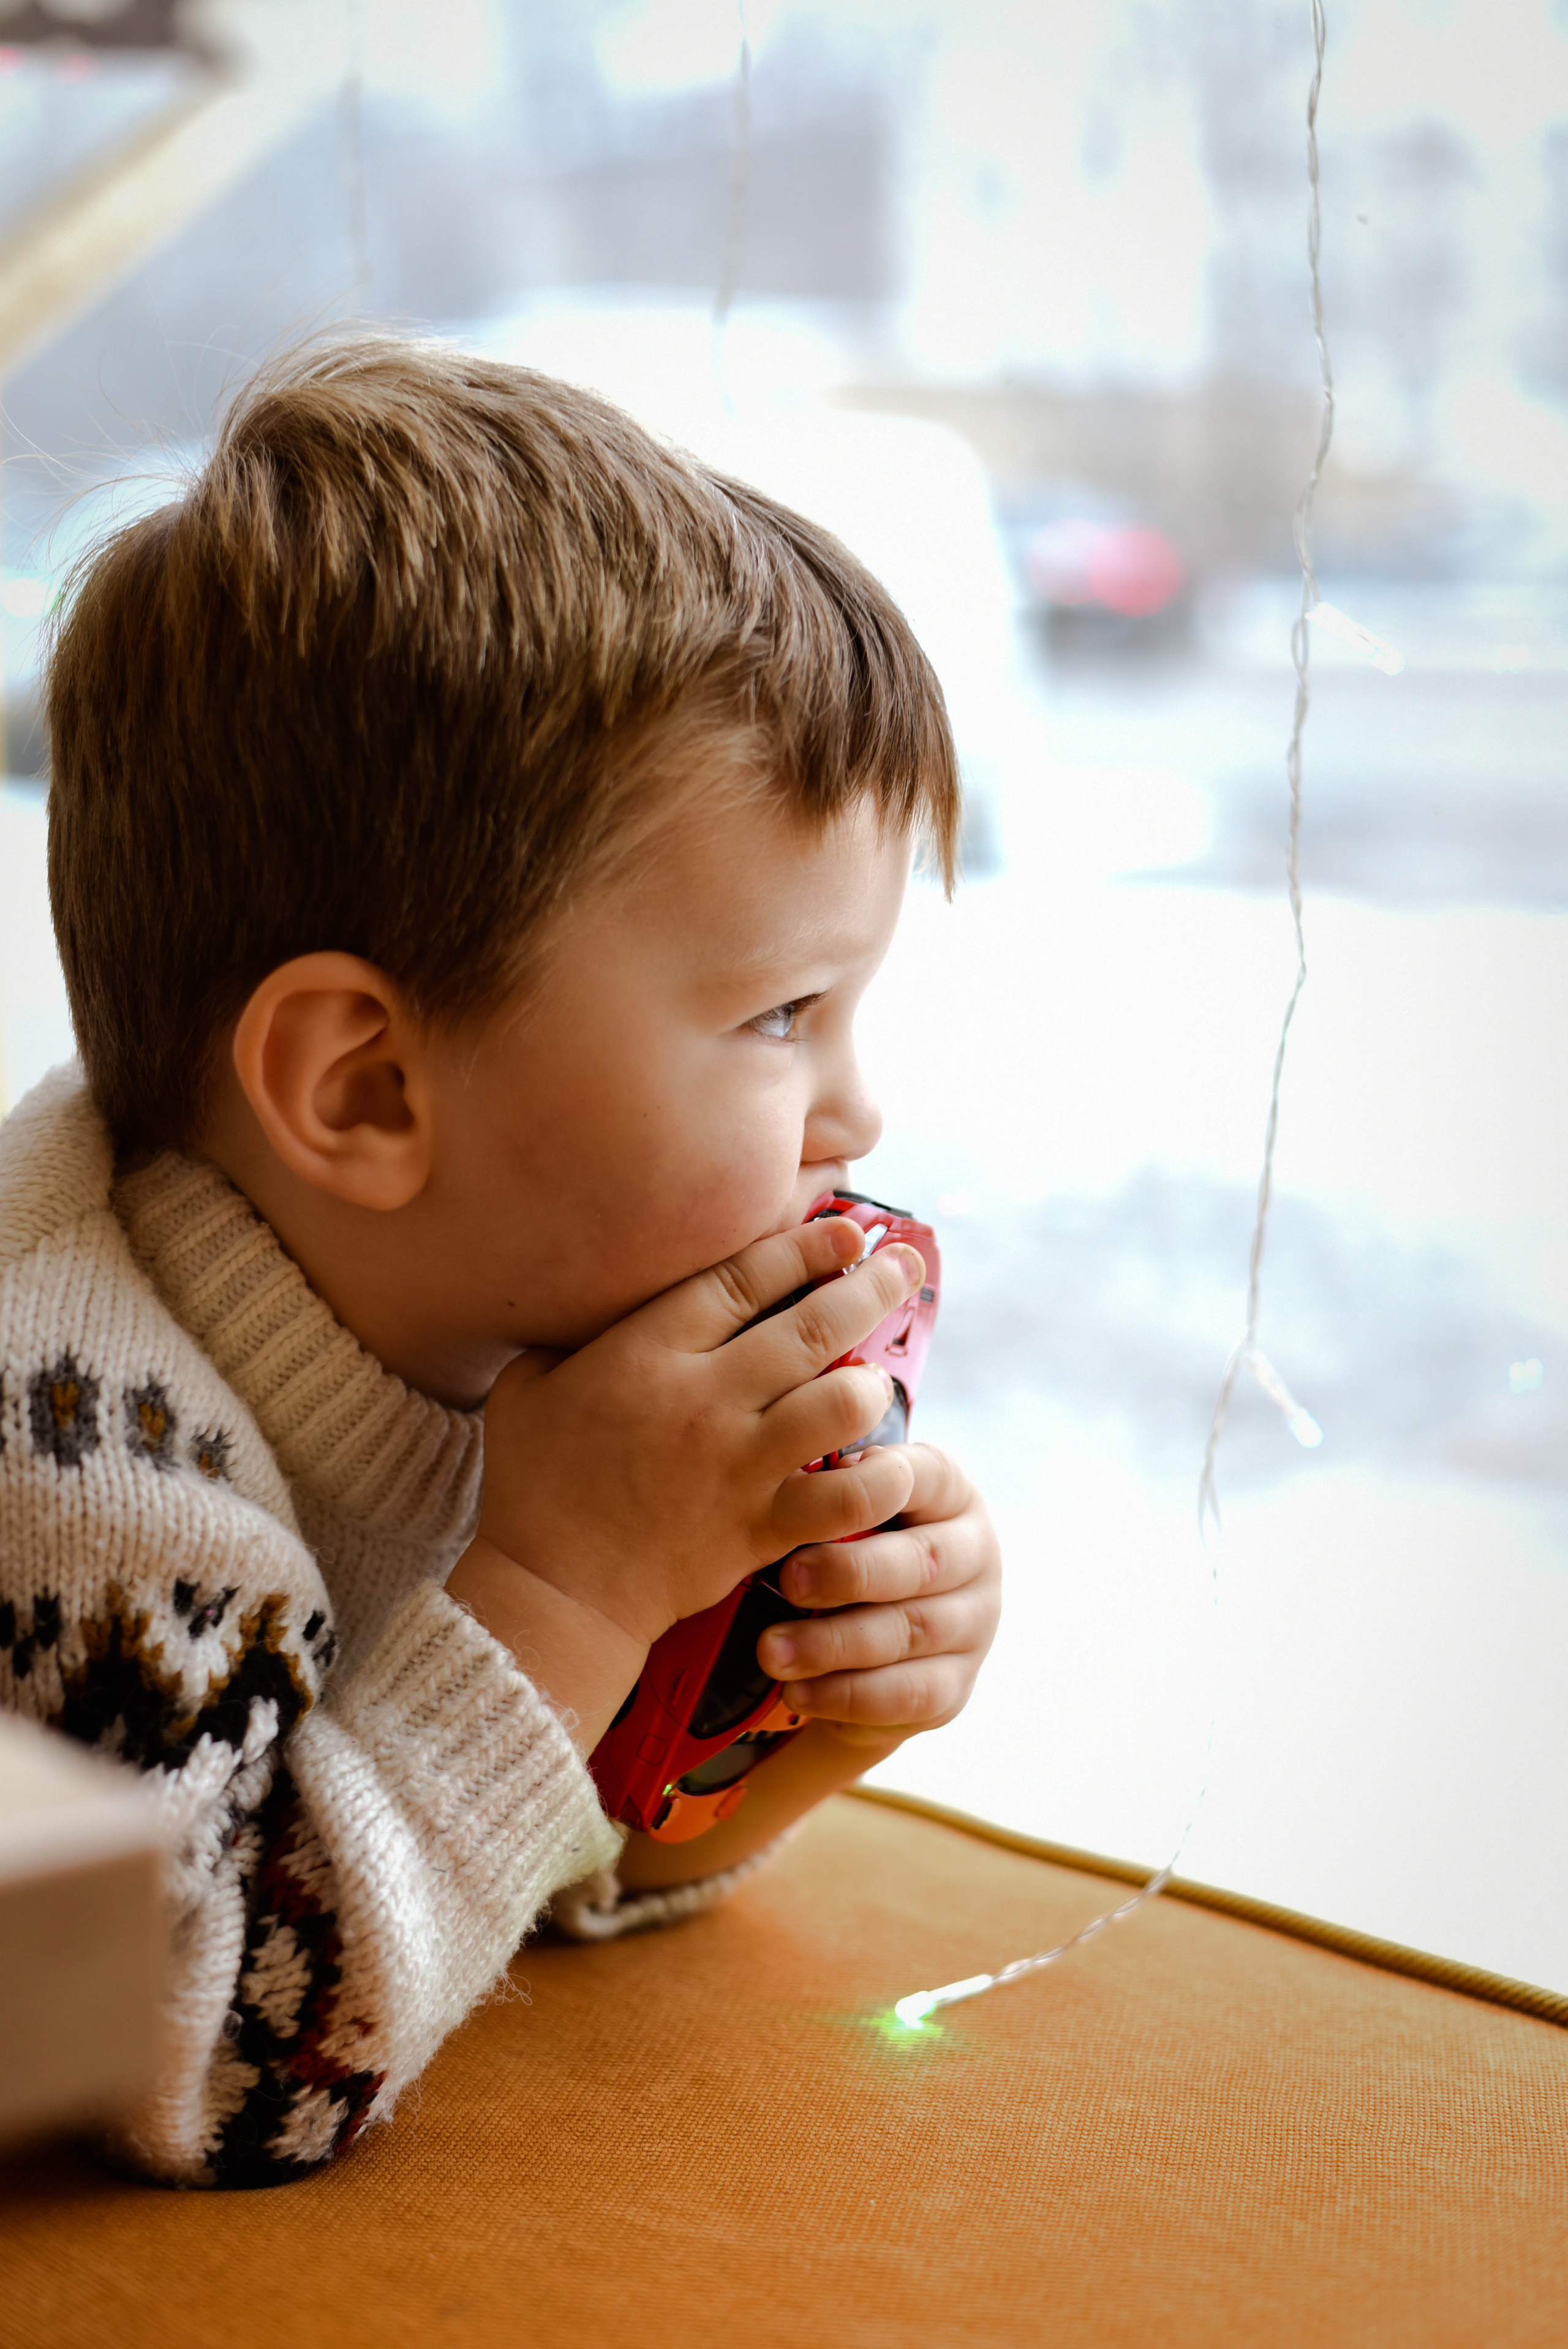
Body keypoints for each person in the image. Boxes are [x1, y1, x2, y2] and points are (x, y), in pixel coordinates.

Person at [0, 338, 1001, 2187]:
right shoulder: (74, 1448)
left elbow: (494, 1880)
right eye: (782, 1015)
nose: (857, 1111)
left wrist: (783, 1721)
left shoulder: (490, 1300)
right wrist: (570, 1588)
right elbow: (198, 2052)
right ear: (368, 1090)